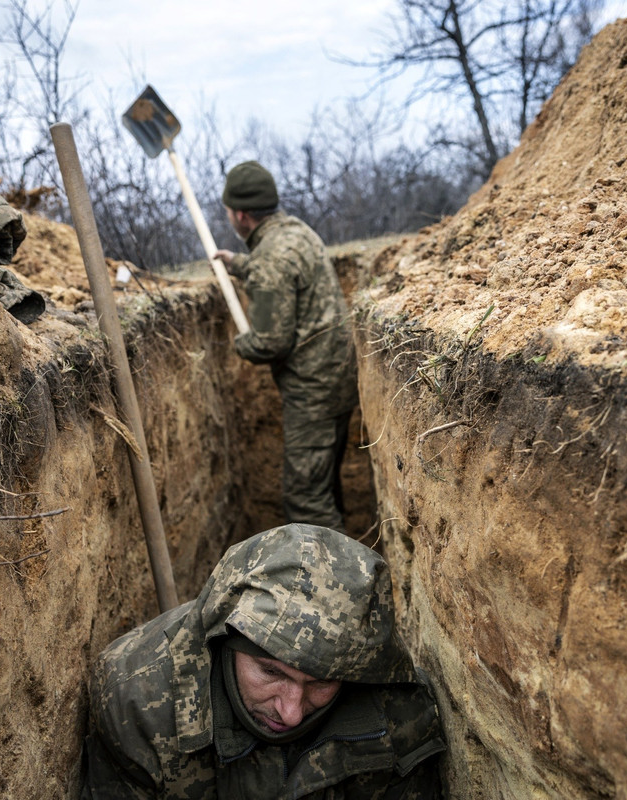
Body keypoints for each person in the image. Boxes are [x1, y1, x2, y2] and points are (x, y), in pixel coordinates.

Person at [82, 524, 446, 799]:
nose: (291, 713)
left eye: (320, 683)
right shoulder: (137, 702)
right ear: (226, 641)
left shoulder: (401, 714)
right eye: (271, 672)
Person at [213, 162, 358, 533]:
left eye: (229, 211)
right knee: (322, 482)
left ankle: (335, 586)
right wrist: (240, 265)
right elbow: (284, 272)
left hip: (313, 391)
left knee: (306, 499)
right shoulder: (297, 232)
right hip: (338, 377)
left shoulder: (271, 258)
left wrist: (238, 344)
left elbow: (270, 342)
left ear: (241, 215)